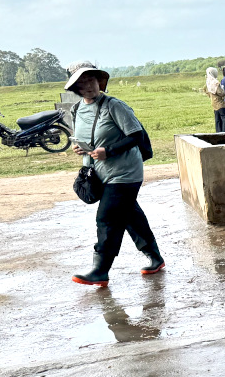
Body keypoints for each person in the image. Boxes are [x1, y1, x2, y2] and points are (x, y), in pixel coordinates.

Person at [66, 61, 164, 285]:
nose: (89, 86)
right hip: (100, 174)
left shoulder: (114, 106)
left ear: (99, 81)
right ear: (76, 88)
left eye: (91, 80)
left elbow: (135, 136)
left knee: (108, 217)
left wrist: (108, 151)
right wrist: (80, 148)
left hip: (125, 172)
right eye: (82, 82)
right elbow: (88, 139)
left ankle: (100, 270)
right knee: (129, 215)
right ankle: (155, 258)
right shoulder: (76, 109)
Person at [206, 66, 225, 132]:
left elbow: (206, 91)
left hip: (213, 102)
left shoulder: (208, 82)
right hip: (220, 103)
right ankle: (224, 134)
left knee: (218, 120)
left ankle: (218, 134)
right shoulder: (215, 82)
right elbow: (220, 93)